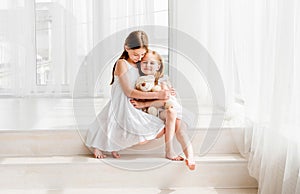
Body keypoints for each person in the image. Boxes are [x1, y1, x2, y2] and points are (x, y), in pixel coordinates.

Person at [85, 31, 171, 159]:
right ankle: (98, 146)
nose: (139, 57)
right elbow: (128, 91)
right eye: (136, 54)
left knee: (158, 129)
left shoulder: (138, 64)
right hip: (123, 100)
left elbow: (146, 82)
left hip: (133, 102)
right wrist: (159, 95)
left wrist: (166, 89)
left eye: (142, 54)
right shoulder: (122, 63)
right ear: (126, 48)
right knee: (114, 123)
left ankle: (113, 145)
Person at [130, 50, 196, 170]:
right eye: (144, 62)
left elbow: (166, 100)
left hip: (169, 109)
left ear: (158, 66)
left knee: (180, 130)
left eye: (152, 63)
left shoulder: (162, 80)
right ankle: (169, 150)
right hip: (157, 112)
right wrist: (142, 103)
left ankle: (190, 157)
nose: (148, 66)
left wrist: (143, 103)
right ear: (140, 64)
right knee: (171, 113)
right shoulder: (140, 81)